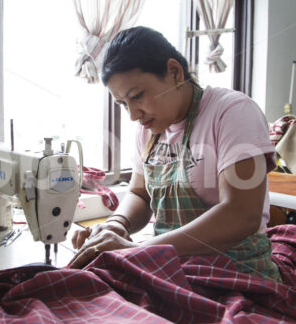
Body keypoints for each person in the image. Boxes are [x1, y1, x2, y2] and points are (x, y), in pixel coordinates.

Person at [68, 26, 281, 282]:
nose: (134, 115)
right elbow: (139, 194)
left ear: (174, 72)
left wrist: (138, 250)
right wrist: (117, 224)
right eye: (123, 104)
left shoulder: (232, 112)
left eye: (137, 96)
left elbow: (241, 214)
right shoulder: (149, 130)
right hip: (173, 270)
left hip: (237, 272)